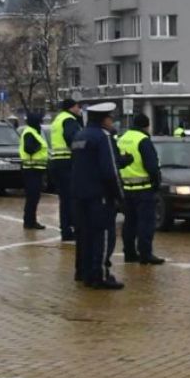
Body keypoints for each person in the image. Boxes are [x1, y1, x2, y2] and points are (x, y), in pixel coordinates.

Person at [70, 103, 125, 289]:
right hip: (99, 195)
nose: (112, 121)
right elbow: (110, 171)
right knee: (102, 235)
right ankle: (100, 275)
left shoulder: (80, 135)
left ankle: (86, 273)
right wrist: (120, 196)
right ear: (104, 119)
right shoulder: (103, 137)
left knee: (85, 235)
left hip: (79, 194)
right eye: (110, 118)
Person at [117, 113, 165, 265]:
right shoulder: (143, 140)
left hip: (125, 188)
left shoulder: (122, 138)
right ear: (146, 125)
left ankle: (129, 253)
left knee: (129, 222)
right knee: (145, 223)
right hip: (143, 189)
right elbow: (151, 166)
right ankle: (146, 254)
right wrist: (156, 183)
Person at [49, 99, 82, 241]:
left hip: (57, 162)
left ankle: (65, 229)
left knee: (64, 199)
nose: (79, 109)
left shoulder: (58, 119)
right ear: (71, 107)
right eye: (77, 107)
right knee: (71, 198)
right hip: (68, 162)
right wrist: (85, 146)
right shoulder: (69, 119)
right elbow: (72, 139)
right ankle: (70, 229)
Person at [18, 112, 50, 229]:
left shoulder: (34, 132)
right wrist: (39, 147)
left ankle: (31, 221)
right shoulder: (29, 132)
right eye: (40, 121)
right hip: (31, 169)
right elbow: (29, 149)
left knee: (34, 197)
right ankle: (29, 222)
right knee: (32, 197)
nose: (41, 123)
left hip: (35, 169)